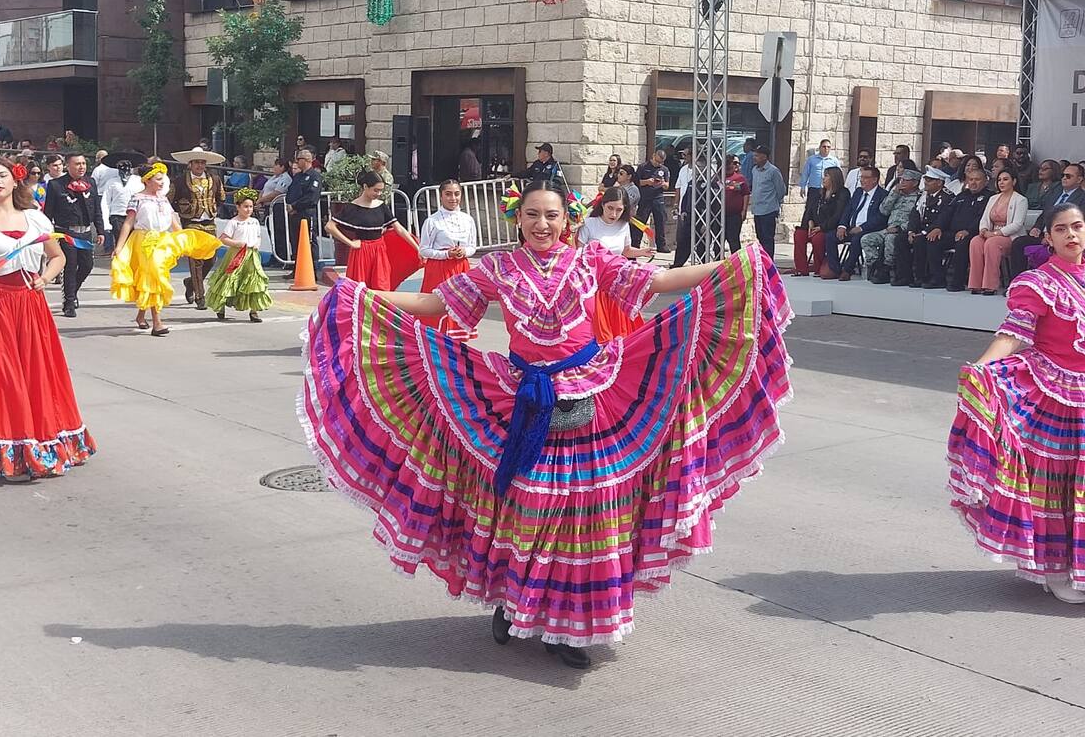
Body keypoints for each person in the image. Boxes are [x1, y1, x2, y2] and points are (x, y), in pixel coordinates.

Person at [298, 180, 793, 668]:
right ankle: (511, 605)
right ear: (518, 218)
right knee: (520, 508)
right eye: (532, 214)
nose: (542, 224)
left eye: (551, 215)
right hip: (519, 395)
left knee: (585, 515)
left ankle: (567, 626)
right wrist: (362, 295)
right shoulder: (496, 267)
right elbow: (435, 305)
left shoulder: (589, 259)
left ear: (568, 219)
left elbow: (657, 283)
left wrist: (733, 264)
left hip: (590, 392)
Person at [948, 202, 1085, 603]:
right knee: (1054, 484)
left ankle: (1084, 563)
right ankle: (1053, 568)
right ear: (1047, 237)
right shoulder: (1036, 283)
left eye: (1077, 227)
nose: (1071, 235)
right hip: (1051, 392)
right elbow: (1013, 334)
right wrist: (980, 368)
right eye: (1061, 228)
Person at [0, 156, 95, 480]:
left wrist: (46, 278)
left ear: (14, 181)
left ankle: (34, 441)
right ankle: (10, 446)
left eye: (2, 176)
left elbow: (58, 256)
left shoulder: (36, 218)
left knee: (34, 373)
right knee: (2, 375)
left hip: (29, 304)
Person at [111, 163, 222, 336]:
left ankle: (141, 316)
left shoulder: (163, 199)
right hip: (143, 240)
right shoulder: (138, 198)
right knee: (155, 276)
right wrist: (119, 247)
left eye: (163, 179)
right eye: (158, 179)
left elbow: (174, 222)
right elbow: (128, 222)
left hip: (163, 241)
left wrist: (184, 241)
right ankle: (157, 323)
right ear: (147, 181)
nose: (162, 183)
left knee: (154, 277)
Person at [577, 185, 656, 343]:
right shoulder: (588, 223)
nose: (614, 214)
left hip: (618, 285)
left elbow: (625, 251)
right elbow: (578, 254)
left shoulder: (624, 225)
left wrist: (642, 252)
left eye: (619, 210)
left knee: (620, 334)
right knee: (598, 335)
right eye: (610, 208)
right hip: (594, 285)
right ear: (602, 205)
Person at [326, 170, 419, 288]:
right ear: (365, 187)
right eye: (376, 190)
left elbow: (399, 229)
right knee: (360, 287)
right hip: (362, 251)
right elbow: (330, 226)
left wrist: (417, 248)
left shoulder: (381, 206)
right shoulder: (353, 207)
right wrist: (350, 243)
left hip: (379, 250)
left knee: (381, 284)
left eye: (381, 190)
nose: (379, 193)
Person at [1008, 163, 1085, 280]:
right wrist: (1037, 227)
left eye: (1069, 176)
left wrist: (1054, 237)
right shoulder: (1054, 194)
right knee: (1019, 243)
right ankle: (1018, 282)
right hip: (1044, 235)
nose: (1064, 178)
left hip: (1063, 238)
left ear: (1079, 179)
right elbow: (1044, 215)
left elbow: (1079, 223)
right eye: (1063, 175)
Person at [43, 152, 104, 317]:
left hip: (85, 232)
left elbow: (96, 208)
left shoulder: (90, 182)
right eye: (77, 164)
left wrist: (100, 230)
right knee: (70, 266)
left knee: (87, 265)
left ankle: (73, 290)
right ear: (68, 166)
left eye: (83, 163)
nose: (81, 167)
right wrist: (46, 235)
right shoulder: (56, 185)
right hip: (65, 232)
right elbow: (48, 212)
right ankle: (69, 302)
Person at [417, 179, 479, 339]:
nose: (453, 198)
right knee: (438, 306)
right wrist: (446, 254)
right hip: (439, 269)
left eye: (457, 194)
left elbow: (473, 246)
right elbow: (424, 250)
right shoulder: (432, 221)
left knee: (460, 305)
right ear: (441, 196)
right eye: (448, 194)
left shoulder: (468, 219)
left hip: (460, 268)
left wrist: (463, 251)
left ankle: (457, 345)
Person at [170, 146, 227, 309]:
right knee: (196, 261)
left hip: (209, 222)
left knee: (211, 258)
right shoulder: (180, 180)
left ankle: (191, 283)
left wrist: (213, 208)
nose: (199, 166)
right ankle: (200, 296)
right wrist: (183, 210)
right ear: (190, 164)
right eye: (196, 162)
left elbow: (221, 197)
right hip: (191, 222)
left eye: (202, 163)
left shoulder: (214, 179)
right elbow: (170, 200)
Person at [206, 188, 271, 323]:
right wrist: (237, 243)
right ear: (238, 207)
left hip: (251, 255)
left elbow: (258, 236)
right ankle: (221, 306)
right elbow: (223, 238)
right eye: (245, 207)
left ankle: (254, 311)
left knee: (254, 281)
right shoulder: (234, 222)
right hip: (237, 255)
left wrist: (257, 244)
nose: (248, 210)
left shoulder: (254, 222)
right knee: (229, 279)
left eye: (251, 207)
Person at [925, 169, 992, 292]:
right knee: (932, 240)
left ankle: (957, 281)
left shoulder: (990, 197)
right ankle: (938, 278)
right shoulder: (961, 196)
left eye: (977, 180)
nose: (973, 183)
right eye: (971, 179)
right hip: (953, 232)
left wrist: (968, 231)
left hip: (973, 234)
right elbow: (947, 213)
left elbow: (983, 217)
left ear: (985, 182)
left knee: (963, 244)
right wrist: (938, 227)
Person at [967, 169, 1028, 295]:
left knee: (992, 243)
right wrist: (983, 230)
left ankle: (990, 285)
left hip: (1009, 236)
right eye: (999, 180)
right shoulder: (993, 198)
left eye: (1005, 179)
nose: (1001, 182)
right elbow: (985, 218)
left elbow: (1017, 224)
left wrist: (995, 234)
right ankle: (975, 284)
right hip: (991, 233)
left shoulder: (1020, 200)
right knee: (976, 241)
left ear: (1014, 181)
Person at [892, 166, 953, 288]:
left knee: (921, 240)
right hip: (920, 230)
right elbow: (914, 215)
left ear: (939, 182)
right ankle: (905, 275)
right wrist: (910, 231)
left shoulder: (947, 197)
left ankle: (923, 277)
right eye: (926, 179)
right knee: (900, 239)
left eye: (930, 180)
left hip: (937, 231)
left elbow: (943, 219)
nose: (926, 182)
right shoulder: (922, 196)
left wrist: (924, 232)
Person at [862, 168, 921, 284]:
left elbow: (917, 219)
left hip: (903, 230)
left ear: (915, 183)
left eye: (906, 180)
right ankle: (876, 266)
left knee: (890, 239)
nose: (901, 183)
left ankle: (887, 269)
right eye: (901, 180)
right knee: (867, 239)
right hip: (888, 228)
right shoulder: (897, 195)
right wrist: (894, 194)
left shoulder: (919, 197)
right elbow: (883, 210)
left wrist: (899, 228)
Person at [829, 165, 887, 280]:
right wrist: (842, 226)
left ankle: (847, 270)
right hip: (852, 227)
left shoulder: (882, 195)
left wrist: (862, 227)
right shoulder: (858, 192)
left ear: (875, 179)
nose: (862, 180)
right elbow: (848, 210)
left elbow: (880, 218)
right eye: (861, 177)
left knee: (857, 239)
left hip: (868, 229)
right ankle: (835, 269)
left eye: (866, 177)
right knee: (830, 236)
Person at [793, 166, 848, 277]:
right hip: (814, 226)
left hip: (828, 228)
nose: (823, 179)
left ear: (834, 178)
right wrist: (810, 222)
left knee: (818, 238)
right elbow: (809, 210)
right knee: (799, 234)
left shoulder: (842, 193)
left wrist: (821, 227)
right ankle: (801, 269)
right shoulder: (819, 193)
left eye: (826, 176)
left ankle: (819, 268)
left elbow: (837, 215)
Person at [286, 149, 323, 274]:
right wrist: (290, 205)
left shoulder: (314, 176)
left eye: (299, 159)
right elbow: (291, 192)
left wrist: (295, 206)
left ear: (307, 160)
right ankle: (297, 269)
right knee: (295, 241)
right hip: (294, 214)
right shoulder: (298, 176)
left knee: (310, 240)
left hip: (306, 213)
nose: (297, 162)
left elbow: (311, 197)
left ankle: (313, 269)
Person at [748, 145, 786, 259]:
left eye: (757, 155)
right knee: (760, 238)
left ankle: (769, 263)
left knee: (768, 238)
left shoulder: (773, 171)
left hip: (768, 210)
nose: (754, 157)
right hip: (757, 210)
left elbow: (781, 190)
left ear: (764, 157)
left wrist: (775, 203)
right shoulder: (754, 170)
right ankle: (763, 261)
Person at [259, 157, 293, 266]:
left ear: (282, 167)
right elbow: (265, 189)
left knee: (279, 232)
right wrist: (260, 199)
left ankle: (282, 256)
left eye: (276, 165)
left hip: (278, 207)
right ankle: (275, 254)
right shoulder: (274, 177)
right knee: (271, 231)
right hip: (269, 207)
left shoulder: (285, 178)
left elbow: (277, 192)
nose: (274, 168)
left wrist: (262, 199)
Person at [635, 150, 669, 254]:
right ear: (653, 156)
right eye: (657, 161)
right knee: (641, 222)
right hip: (645, 198)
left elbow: (667, 186)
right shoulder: (643, 167)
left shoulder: (664, 169)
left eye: (660, 162)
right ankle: (635, 244)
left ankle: (661, 245)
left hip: (658, 198)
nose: (658, 164)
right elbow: (636, 182)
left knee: (660, 222)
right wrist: (647, 182)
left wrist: (663, 183)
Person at [102, 160, 143, 241]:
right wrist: (106, 222)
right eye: (121, 168)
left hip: (135, 216)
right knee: (121, 243)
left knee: (135, 243)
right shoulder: (111, 182)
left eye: (127, 167)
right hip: (117, 216)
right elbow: (105, 202)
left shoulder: (139, 181)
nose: (125, 171)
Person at [723, 155, 750, 253]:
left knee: (733, 240)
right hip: (719, 215)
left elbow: (746, 194)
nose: (728, 167)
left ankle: (737, 262)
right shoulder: (717, 177)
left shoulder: (740, 178)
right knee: (718, 241)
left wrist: (744, 210)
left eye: (730, 164)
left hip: (734, 215)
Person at [614, 164, 641, 245]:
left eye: (621, 174)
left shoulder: (633, 189)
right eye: (618, 173)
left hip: (627, 221)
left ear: (629, 176)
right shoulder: (619, 187)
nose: (618, 175)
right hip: (617, 220)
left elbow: (625, 204)